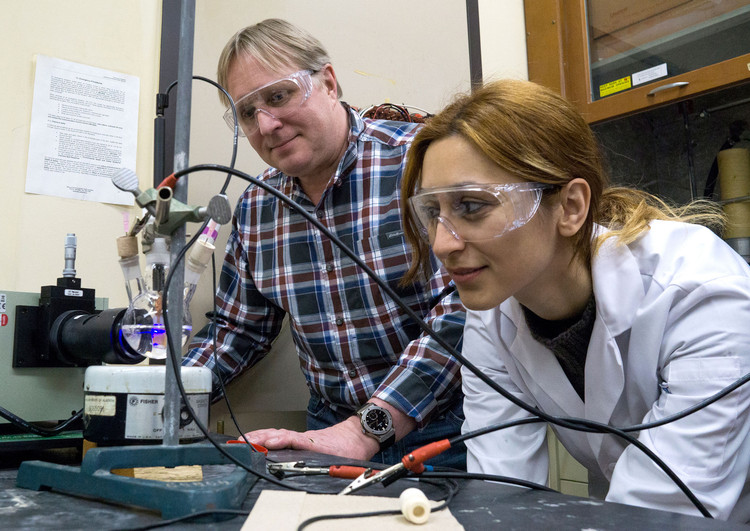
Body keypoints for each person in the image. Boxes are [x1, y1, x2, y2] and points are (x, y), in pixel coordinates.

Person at [399, 78, 750, 521]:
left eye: (472, 206)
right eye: (432, 213)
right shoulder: (493, 316)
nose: (443, 244)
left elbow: (661, 512)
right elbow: (500, 495)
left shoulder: (700, 293)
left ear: (570, 207)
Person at [182, 18, 466, 468]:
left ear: (329, 83)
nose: (267, 124)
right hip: (327, 433)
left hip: (446, 429)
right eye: (247, 112)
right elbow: (238, 330)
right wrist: (164, 394)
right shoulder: (258, 205)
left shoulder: (421, 162)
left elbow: (468, 311)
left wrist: (366, 428)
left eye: (278, 96)